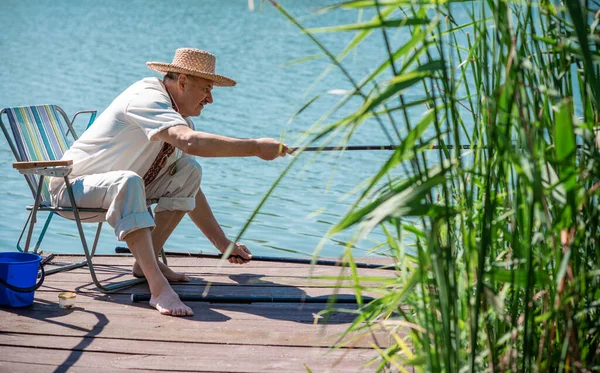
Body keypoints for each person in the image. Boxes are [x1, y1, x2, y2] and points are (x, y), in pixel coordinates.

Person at [49, 48, 292, 316]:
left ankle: (145, 263)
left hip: (116, 190)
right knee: (129, 181)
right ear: (183, 81)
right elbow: (190, 141)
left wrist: (223, 244)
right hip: (72, 190)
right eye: (206, 89)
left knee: (188, 170)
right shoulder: (147, 98)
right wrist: (256, 147)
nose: (210, 99)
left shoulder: (177, 117)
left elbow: (190, 189)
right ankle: (159, 289)